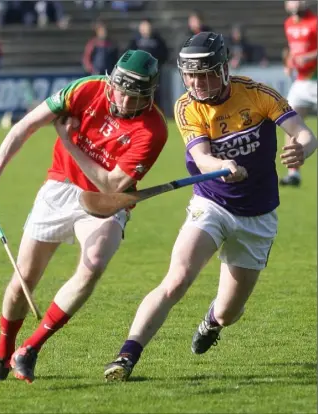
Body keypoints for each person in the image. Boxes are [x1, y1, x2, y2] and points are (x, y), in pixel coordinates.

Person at [104, 32, 317, 382]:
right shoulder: (187, 105)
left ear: (224, 68)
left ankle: (212, 321)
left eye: (206, 74)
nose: (198, 83)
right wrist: (221, 166)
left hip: (258, 216)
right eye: (191, 75)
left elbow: (304, 133)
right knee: (175, 281)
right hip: (211, 204)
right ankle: (126, 355)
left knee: (230, 312)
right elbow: (201, 156)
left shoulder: (258, 93)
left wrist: (302, 149)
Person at [0, 49, 168, 383]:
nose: (120, 97)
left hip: (105, 202)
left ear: (147, 96)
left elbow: (109, 185)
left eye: (130, 94)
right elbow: (26, 126)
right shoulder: (85, 89)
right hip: (59, 188)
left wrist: (67, 140)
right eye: (118, 87)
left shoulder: (152, 131)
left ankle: (30, 349)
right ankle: (2, 353)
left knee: (92, 266)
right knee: (22, 284)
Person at [280, 0, 317, 187]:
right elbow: (290, 49)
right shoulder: (288, 23)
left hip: (316, 79)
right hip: (301, 82)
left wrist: (309, 57)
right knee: (290, 120)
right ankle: (293, 173)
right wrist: (289, 62)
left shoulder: (315, 22)